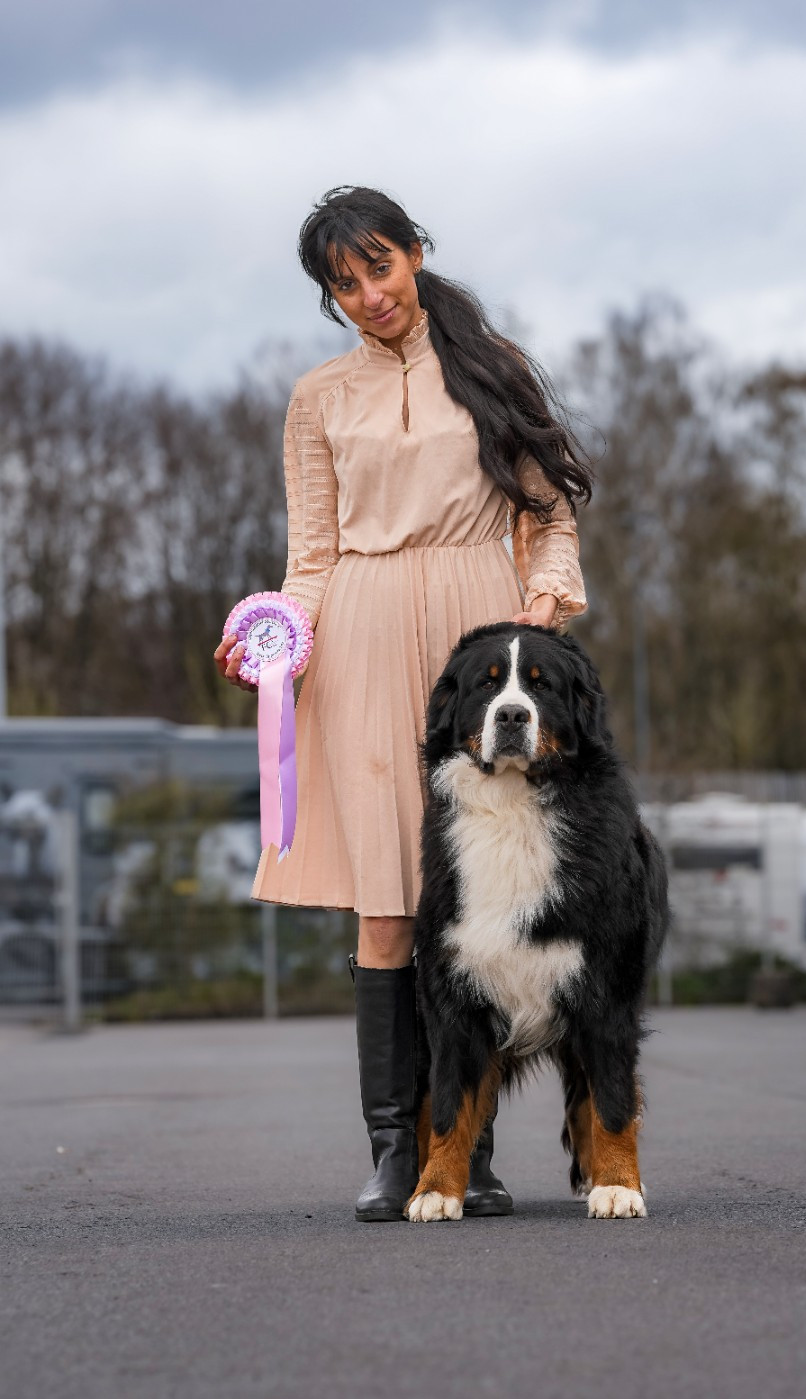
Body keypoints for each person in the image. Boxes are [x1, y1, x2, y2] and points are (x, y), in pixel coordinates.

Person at [214, 186, 592, 1221]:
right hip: (365, 637)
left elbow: (549, 513)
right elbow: (311, 556)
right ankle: (397, 1151)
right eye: (345, 284)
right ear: (330, 299)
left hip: (480, 639)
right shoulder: (317, 399)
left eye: (380, 266)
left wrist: (551, 592)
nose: (369, 295)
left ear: (416, 252)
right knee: (388, 905)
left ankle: (467, 1145)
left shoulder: (492, 365)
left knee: (474, 907)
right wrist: (270, 642)